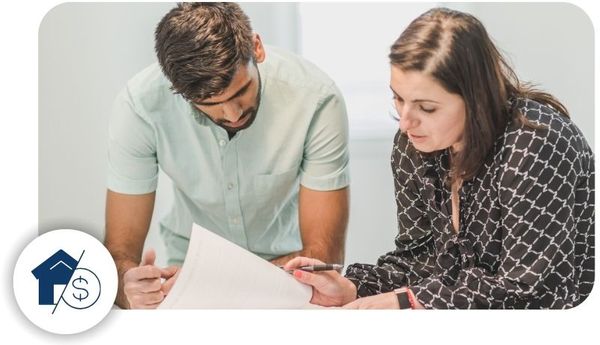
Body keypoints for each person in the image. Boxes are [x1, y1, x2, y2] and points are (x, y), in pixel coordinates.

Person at [285, 7, 594, 309]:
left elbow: (533, 293)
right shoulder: (414, 145)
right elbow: (419, 260)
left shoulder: (536, 145)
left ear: (476, 99)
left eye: (427, 108)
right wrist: (353, 288)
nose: (405, 122)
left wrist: (410, 301)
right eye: (398, 97)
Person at [105, 3, 350, 309]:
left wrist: (213, 285)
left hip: (292, 282)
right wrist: (129, 289)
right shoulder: (140, 106)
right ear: (176, 89)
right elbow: (118, 257)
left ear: (257, 49)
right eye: (211, 104)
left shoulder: (316, 98)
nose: (233, 114)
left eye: (240, 91)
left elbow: (325, 258)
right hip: (186, 281)